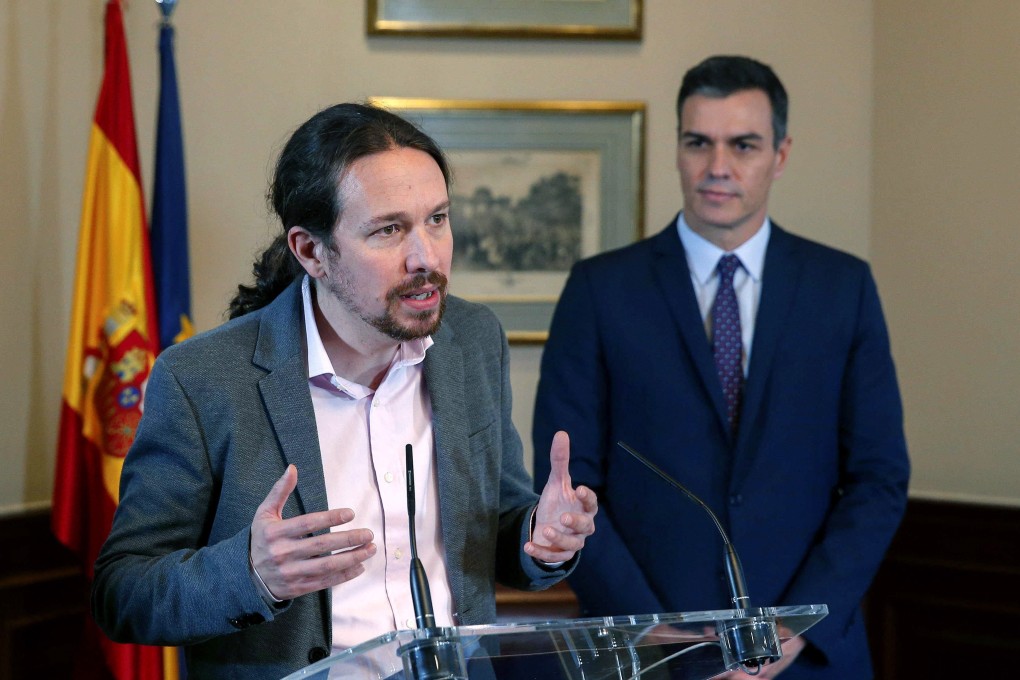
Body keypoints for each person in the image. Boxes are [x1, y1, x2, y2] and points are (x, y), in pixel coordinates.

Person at [92, 103, 597, 679]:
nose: (425, 258)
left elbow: (497, 527)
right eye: (389, 229)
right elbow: (122, 594)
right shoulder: (202, 377)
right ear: (311, 251)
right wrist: (251, 573)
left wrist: (540, 535)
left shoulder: (473, 341)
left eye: (437, 219)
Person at [533, 55, 909, 680]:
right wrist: (652, 630)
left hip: (810, 657)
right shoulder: (601, 290)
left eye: (743, 145)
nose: (718, 167)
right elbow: (570, 487)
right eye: (698, 142)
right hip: (648, 655)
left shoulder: (842, 288)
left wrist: (790, 631)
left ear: (780, 154)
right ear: (677, 148)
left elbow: (879, 478)